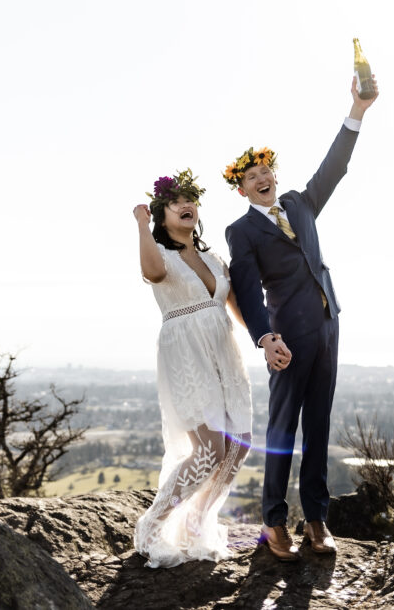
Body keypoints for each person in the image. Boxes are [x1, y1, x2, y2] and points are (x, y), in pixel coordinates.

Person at [224, 76, 379, 560]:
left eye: (266, 169)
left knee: (319, 426)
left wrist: (357, 110)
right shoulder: (241, 231)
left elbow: (335, 167)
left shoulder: (300, 202)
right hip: (287, 338)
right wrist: (265, 338)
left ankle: (316, 519)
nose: (263, 176)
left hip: (329, 327)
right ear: (241, 187)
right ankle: (273, 523)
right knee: (282, 432)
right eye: (252, 175)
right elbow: (247, 292)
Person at [131, 169, 253, 568]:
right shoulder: (159, 252)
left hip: (224, 352)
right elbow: (151, 273)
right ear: (160, 213)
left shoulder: (213, 258)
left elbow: (237, 307)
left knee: (240, 444)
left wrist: (271, 339)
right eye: (174, 201)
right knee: (209, 449)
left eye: (190, 200)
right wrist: (141, 225)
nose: (186, 205)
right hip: (185, 352)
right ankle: (153, 525)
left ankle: (198, 521)